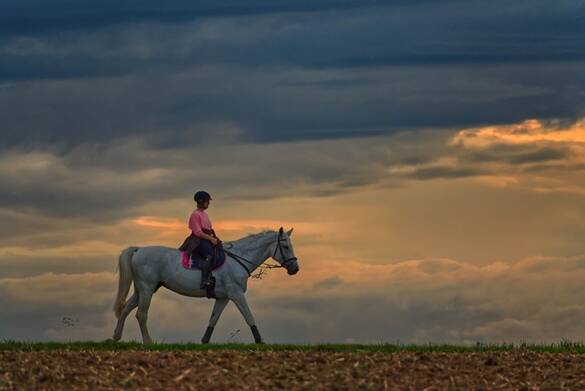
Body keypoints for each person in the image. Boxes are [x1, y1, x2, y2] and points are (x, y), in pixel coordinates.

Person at [189, 190, 222, 289]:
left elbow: (209, 229)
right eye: (207, 201)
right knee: (209, 254)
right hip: (199, 240)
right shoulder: (195, 215)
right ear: (200, 201)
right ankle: (204, 281)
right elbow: (198, 232)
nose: (209, 203)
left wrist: (216, 239)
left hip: (207, 238)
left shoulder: (204, 214)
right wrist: (211, 239)